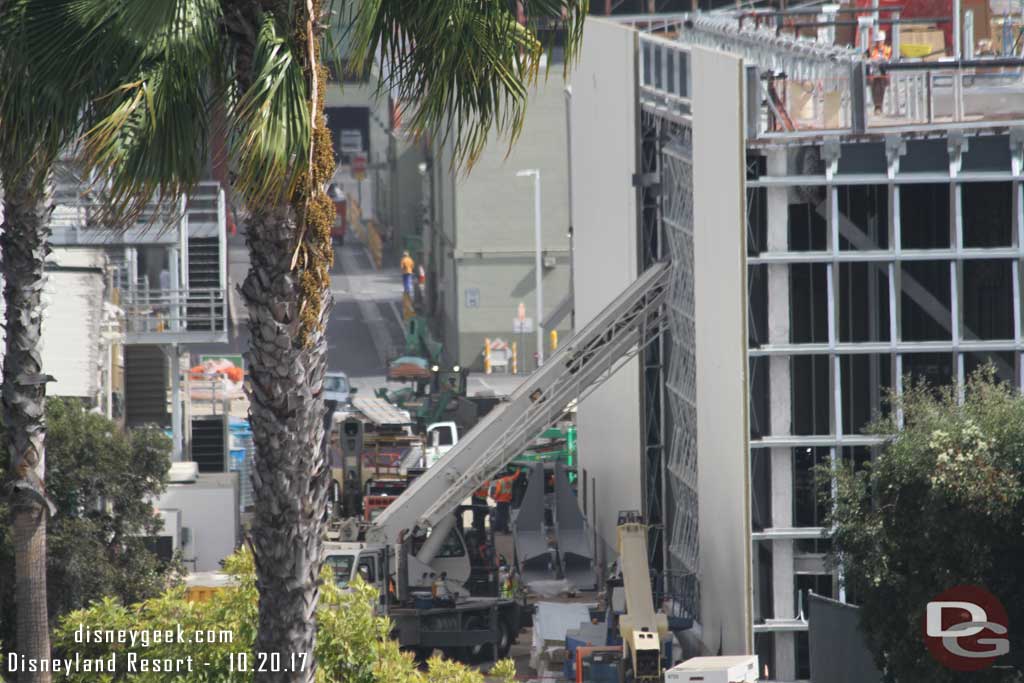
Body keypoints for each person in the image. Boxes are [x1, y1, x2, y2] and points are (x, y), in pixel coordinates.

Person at [868, 31, 892, 115]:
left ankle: (880, 106)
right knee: (875, 89)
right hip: (874, 73)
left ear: (883, 41)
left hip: (884, 73)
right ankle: (877, 107)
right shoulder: (871, 50)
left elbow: (891, 59)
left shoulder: (888, 49)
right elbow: (863, 57)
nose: (878, 43)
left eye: (880, 41)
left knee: (881, 88)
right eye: (877, 42)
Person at [490, 468, 521, 533]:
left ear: (501, 475)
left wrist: (495, 497)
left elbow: (498, 491)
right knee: (505, 515)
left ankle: (498, 528)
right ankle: (505, 529)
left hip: (500, 501)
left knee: (499, 515)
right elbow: (516, 476)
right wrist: (518, 469)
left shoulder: (500, 481)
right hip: (507, 501)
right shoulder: (510, 479)